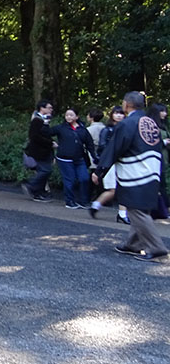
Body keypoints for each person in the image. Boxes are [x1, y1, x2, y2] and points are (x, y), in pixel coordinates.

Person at [94, 91, 168, 262]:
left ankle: (157, 249)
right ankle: (133, 244)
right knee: (141, 209)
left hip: (135, 173)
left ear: (126, 104)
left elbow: (115, 148)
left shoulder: (128, 124)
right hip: (152, 171)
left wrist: (100, 170)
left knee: (136, 210)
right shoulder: (151, 122)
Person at [89, 106, 130, 224]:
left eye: (121, 113)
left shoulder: (127, 128)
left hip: (123, 162)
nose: (119, 116)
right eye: (116, 113)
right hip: (110, 162)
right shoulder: (107, 130)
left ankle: (122, 214)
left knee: (122, 188)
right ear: (112, 115)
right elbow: (103, 147)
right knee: (113, 189)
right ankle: (96, 205)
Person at [50, 106, 96, 209]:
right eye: (67, 115)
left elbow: (89, 143)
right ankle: (69, 201)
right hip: (64, 158)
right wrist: (51, 142)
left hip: (79, 158)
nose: (68, 117)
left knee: (84, 178)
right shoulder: (61, 128)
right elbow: (46, 132)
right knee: (69, 180)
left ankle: (83, 201)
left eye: (71, 115)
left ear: (77, 117)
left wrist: (94, 156)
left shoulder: (82, 129)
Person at [21, 100, 55, 202]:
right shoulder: (37, 120)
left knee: (45, 171)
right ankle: (31, 186)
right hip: (38, 151)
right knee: (45, 170)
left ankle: (39, 192)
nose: (51, 110)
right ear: (42, 108)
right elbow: (34, 136)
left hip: (45, 151)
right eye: (49, 108)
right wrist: (50, 143)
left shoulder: (45, 120)